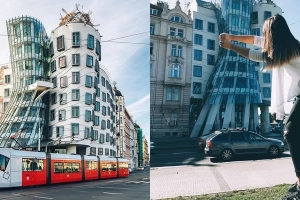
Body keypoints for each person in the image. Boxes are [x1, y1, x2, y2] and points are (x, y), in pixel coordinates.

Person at [219, 14, 300, 199]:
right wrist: (231, 37)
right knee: (294, 133)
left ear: (272, 33)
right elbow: (255, 40)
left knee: (290, 132)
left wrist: (230, 46)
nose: (264, 36)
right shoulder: (286, 44)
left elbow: (256, 55)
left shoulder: (287, 51)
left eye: (266, 32)